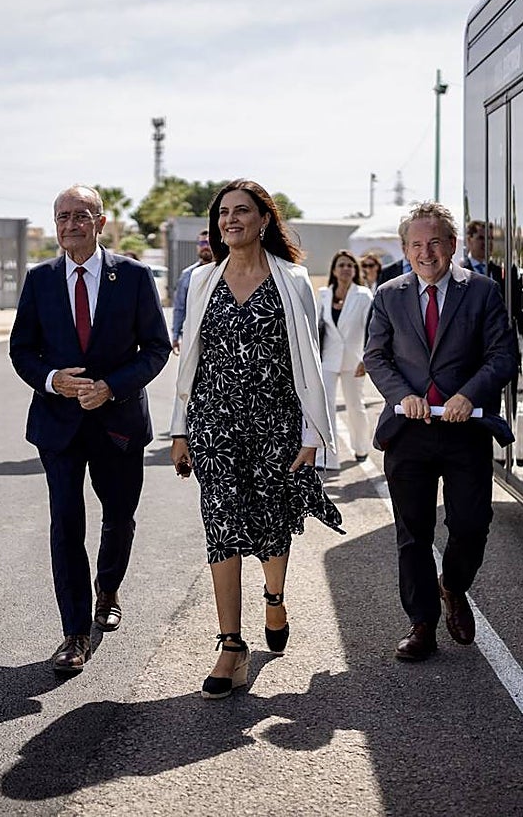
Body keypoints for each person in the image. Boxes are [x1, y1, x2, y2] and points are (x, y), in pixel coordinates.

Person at [170, 179, 342, 699]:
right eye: (223, 213)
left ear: (264, 219)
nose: (230, 220)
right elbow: (192, 360)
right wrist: (180, 430)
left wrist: (312, 433)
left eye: (241, 211)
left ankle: (274, 597)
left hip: (276, 422)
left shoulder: (293, 280)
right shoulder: (202, 280)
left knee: (270, 524)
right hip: (215, 422)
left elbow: (308, 362)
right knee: (221, 527)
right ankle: (231, 646)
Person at [9, 185, 170, 674]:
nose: (71, 224)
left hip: (118, 423)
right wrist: (51, 379)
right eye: (63, 216)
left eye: (81, 215)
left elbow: (156, 348)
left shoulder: (134, 276)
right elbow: (22, 350)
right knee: (66, 523)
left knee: (119, 517)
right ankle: (75, 631)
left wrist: (111, 387)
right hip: (58, 424)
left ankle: (108, 588)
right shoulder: (40, 279)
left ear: (100, 223)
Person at [363, 201, 516, 661]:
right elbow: (376, 356)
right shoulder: (388, 294)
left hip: (465, 428)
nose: (425, 252)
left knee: (471, 524)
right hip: (408, 430)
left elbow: (503, 356)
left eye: (434, 242)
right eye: (416, 244)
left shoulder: (483, 291)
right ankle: (422, 624)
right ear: (405, 249)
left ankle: (454, 583)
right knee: (413, 532)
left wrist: (469, 394)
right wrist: (401, 395)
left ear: (451, 245)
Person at [316, 249, 373, 469]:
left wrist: (366, 358)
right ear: (333, 270)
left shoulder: (364, 295)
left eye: (350, 265)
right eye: (341, 265)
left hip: (354, 360)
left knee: (355, 406)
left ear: (355, 270)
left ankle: (361, 447)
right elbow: (317, 327)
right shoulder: (323, 294)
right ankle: (328, 457)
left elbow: (372, 329)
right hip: (327, 359)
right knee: (325, 407)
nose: (346, 269)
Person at [170, 229, 215, 353]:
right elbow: (180, 307)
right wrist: (175, 336)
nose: (205, 247)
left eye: (208, 243)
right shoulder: (188, 275)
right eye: (201, 243)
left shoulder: (225, 271)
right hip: (192, 336)